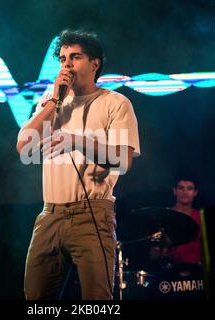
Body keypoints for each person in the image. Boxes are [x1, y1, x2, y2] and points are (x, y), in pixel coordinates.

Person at [16, 29, 140, 300]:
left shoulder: (115, 103)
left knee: (97, 299)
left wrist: (76, 141)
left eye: (75, 57)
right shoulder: (52, 102)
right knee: (36, 298)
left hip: (92, 213)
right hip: (50, 214)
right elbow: (24, 146)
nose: (66, 65)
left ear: (94, 63)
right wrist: (55, 101)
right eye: (62, 59)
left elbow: (123, 159)